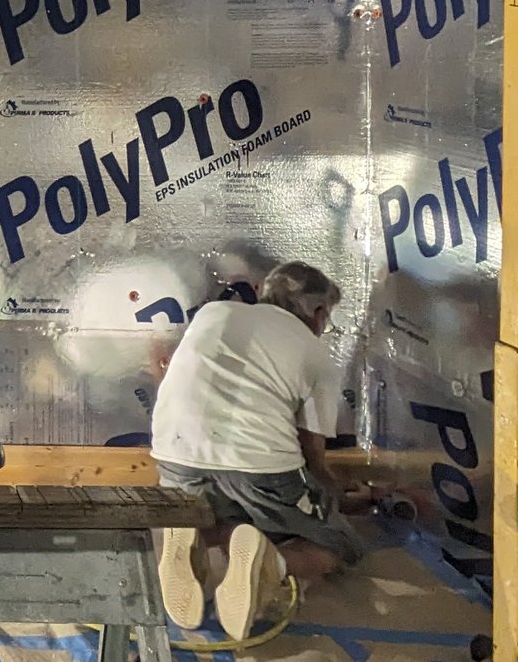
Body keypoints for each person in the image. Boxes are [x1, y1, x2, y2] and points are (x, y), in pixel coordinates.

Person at [150, 262, 368, 640]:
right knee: (341, 545)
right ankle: (273, 562)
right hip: (259, 470)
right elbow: (313, 458)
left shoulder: (212, 313)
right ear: (317, 313)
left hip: (175, 458)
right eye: (326, 317)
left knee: (236, 508)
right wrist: (337, 496)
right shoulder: (314, 352)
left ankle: (194, 536)